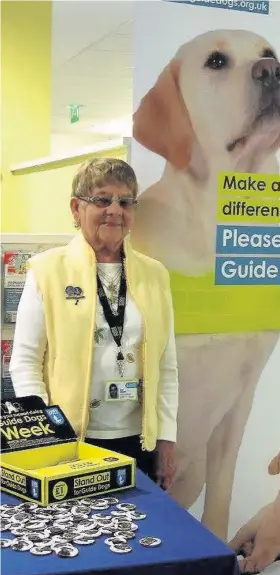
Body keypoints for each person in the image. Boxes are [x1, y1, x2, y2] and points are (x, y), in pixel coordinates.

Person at [9, 158, 178, 489]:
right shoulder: (47, 270)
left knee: (139, 534)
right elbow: (25, 363)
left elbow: (167, 365)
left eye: (125, 201)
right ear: (76, 208)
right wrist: (47, 437)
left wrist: (166, 440)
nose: (115, 210)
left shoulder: (155, 274)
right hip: (71, 443)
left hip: (140, 444)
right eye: (102, 199)